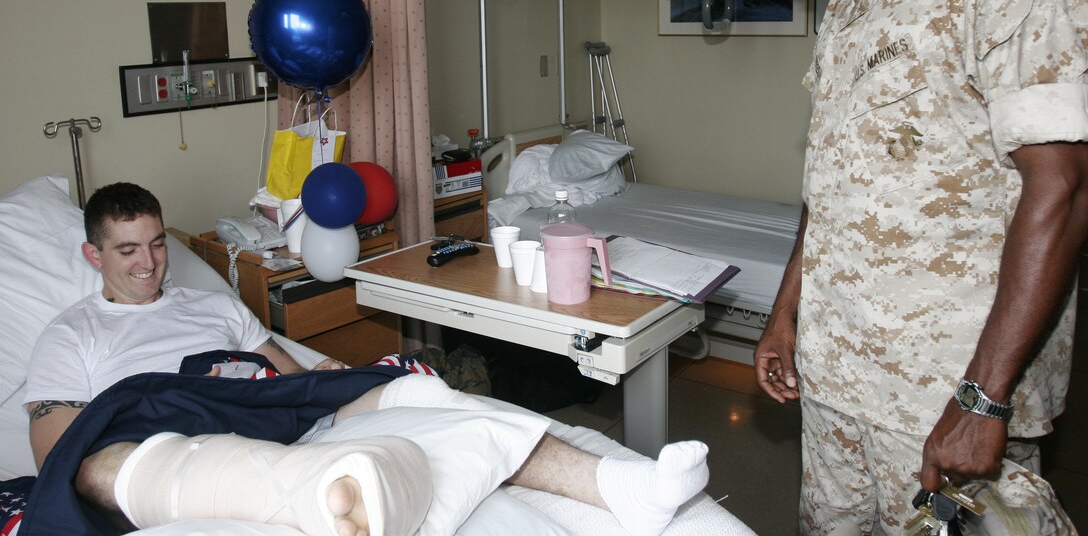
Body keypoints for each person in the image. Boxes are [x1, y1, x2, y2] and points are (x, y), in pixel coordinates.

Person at [754, 0, 1088, 535]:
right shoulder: (848, 1)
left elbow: (1063, 189)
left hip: (942, 389)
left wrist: (983, 397)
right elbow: (832, 176)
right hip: (839, 373)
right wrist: (785, 313)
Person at [25, 182, 711, 536]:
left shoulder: (212, 308)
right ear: (93, 255)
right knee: (99, 464)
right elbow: (62, 451)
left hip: (255, 404)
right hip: (156, 417)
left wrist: (332, 384)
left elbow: (284, 381)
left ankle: (618, 486)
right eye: (127, 250)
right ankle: (313, 494)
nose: (148, 261)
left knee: (428, 396)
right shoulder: (73, 330)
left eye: (155, 243)